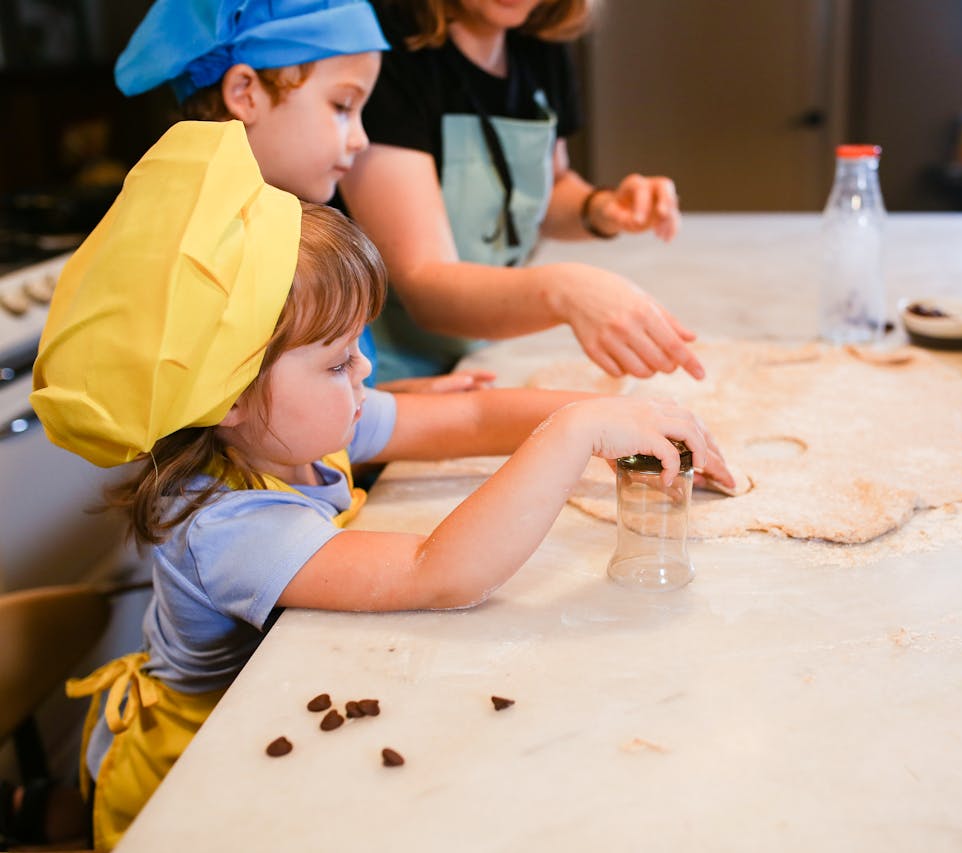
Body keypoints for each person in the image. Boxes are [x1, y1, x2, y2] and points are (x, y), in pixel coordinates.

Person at [30, 121, 730, 850]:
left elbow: (468, 416)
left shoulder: (292, 425)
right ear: (228, 393)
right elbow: (441, 572)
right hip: (196, 782)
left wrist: (614, 416)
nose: (366, 375)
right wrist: (575, 434)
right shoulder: (227, 525)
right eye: (338, 362)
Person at [114, 0, 491, 393]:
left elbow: (296, 413)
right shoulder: (223, 258)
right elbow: (262, 439)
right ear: (245, 93)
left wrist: (398, 397)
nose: (361, 140)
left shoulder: (282, 229)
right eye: (342, 106)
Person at [338, 0, 706, 384]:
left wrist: (601, 207)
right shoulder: (389, 50)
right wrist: (565, 290)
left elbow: (550, 189)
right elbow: (425, 285)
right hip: (384, 373)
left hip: (482, 350)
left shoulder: (538, 46)